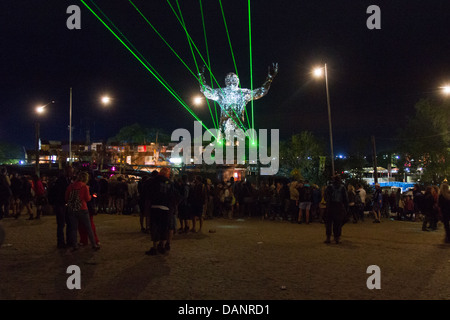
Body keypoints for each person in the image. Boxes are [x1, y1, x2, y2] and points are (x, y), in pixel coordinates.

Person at [199, 63, 278, 141]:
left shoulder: (242, 93)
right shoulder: (222, 92)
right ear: (226, 81)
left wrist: (270, 78)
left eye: (233, 79)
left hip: (237, 125)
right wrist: (200, 75)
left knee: (243, 143)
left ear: (237, 81)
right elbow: (205, 90)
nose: (231, 81)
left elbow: (261, 91)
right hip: (226, 126)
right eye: (229, 79)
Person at [65, 171, 100, 251]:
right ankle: (94, 244)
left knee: (74, 228)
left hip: (72, 208)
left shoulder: (71, 186)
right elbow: (87, 198)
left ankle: (74, 245)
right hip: (82, 208)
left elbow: (66, 198)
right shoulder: (84, 187)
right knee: (88, 227)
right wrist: (92, 196)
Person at [145, 167, 175, 256]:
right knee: (163, 227)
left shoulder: (153, 181)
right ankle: (162, 245)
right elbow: (172, 196)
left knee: (154, 227)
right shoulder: (170, 183)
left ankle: (154, 247)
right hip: (166, 208)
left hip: (155, 206)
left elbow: (148, 194)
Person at [47, 165, 73, 249]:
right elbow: (60, 193)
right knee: (62, 224)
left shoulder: (66, 180)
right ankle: (62, 242)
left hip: (63, 203)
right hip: (61, 203)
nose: (72, 173)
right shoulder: (62, 181)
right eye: (70, 172)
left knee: (67, 223)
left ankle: (67, 241)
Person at [324, 175, 348, 244]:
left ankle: (328, 237)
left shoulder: (329, 187)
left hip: (330, 206)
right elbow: (345, 198)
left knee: (328, 223)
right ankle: (337, 238)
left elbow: (325, 196)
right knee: (337, 223)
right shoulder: (342, 187)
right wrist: (346, 208)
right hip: (338, 206)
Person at [78, 171, 100, 247]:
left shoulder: (76, 186)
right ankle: (94, 241)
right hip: (87, 206)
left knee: (82, 224)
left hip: (81, 206)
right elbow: (89, 197)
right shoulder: (87, 186)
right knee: (89, 224)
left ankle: (84, 240)